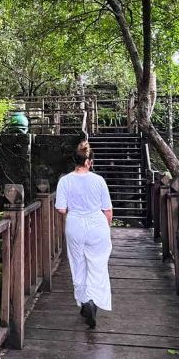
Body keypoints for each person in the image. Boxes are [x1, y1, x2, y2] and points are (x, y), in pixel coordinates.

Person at [54, 140, 113, 329]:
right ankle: (93, 302)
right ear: (89, 162)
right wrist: (107, 228)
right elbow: (108, 210)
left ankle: (84, 301)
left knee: (78, 264)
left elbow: (61, 209)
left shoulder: (65, 181)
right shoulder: (99, 180)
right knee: (97, 265)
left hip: (76, 224)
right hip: (97, 224)